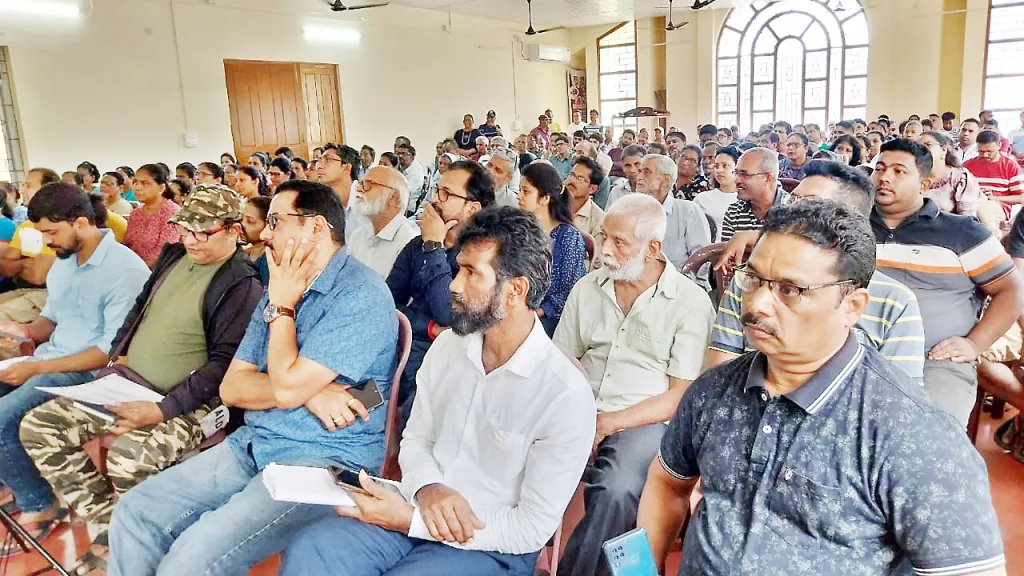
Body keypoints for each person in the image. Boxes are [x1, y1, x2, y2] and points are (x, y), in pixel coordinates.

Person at [638, 198, 1006, 576]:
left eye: (790, 290)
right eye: (753, 279)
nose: (758, 304)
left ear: (853, 306)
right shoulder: (714, 391)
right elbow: (667, 483)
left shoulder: (912, 433)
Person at [281, 206, 595, 575]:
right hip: (417, 502)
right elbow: (417, 439)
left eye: (471, 273)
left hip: (488, 541)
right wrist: (429, 489)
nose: (453, 285)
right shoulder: (449, 347)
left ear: (516, 291)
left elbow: (529, 529)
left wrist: (414, 521)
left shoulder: (564, 394)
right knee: (312, 550)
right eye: (458, 267)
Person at [106, 180, 399, 576]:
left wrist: (283, 312)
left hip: (320, 460)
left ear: (315, 228)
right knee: (135, 511)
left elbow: (286, 384)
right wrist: (312, 391)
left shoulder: (358, 294)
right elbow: (233, 387)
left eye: (276, 221)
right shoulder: (279, 285)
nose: (264, 232)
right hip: (255, 443)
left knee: (191, 558)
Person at [19, 184, 263, 574]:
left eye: (205, 232)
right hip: (129, 382)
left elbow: (223, 367)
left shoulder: (242, 285)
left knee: (128, 458)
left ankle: (149, 534)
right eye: (187, 229)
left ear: (234, 230)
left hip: (191, 403)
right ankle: (110, 522)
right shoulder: (174, 257)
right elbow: (138, 311)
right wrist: (115, 359)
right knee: (39, 426)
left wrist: (161, 409)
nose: (192, 240)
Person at [554, 193, 714, 576]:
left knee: (617, 488)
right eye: (604, 237)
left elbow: (682, 395)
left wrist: (609, 422)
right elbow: (560, 363)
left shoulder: (689, 302)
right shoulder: (588, 288)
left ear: (653, 248)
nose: (605, 250)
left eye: (619, 242)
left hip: (646, 421)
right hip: (579, 409)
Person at [0, 183, 149, 551]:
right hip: (49, 358)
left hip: (90, 373)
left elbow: (109, 353)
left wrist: (34, 370)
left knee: (2, 416)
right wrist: (23, 331)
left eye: (51, 232)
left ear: (81, 222)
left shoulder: (123, 269)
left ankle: (41, 505)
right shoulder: (65, 262)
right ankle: (21, 477)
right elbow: (51, 320)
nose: (47, 242)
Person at [707, 159, 926, 381]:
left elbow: (899, 400)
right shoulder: (750, 280)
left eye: (809, 206)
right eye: (792, 200)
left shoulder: (895, 302)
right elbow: (718, 378)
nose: (790, 212)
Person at [873, 139, 1023, 426]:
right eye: (880, 168)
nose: (884, 177)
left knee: (927, 435)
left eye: (898, 171)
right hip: (859, 354)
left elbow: (1011, 290)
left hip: (934, 361)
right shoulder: (854, 227)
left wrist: (974, 344)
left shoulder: (962, 233)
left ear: (925, 184)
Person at [386, 161, 495, 417]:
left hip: (448, 357)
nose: (435, 199)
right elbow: (387, 302)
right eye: (436, 190)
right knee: (357, 392)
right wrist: (427, 327)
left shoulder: (482, 256)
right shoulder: (417, 245)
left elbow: (449, 313)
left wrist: (434, 245)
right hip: (403, 345)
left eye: (446, 194)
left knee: (413, 413)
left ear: (472, 208)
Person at [518, 163, 587, 335]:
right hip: (519, 308)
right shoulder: (521, 229)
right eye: (520, 190)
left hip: (551, 318)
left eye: (526, 191)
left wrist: (535, 314)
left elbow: (568, 292)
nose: (519, 196)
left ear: (545, 198)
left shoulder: (567, 237)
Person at [638, 154, 712, 275]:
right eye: (639, 171)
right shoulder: (632, 210)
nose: (639, 177)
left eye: (646, 172)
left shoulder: (688, 211)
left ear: (665, 180)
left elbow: (701, 262)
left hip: (681, 282)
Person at [348, 166, 418, 278]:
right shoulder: (358, 235)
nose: (359, 189)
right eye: (360, 183)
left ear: (393, 198)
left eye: (368, 184)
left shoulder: (409, 243)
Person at [720, 148, 789, 243]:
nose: (737, 180)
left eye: (744, 174)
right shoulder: (734, 212)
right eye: (736, 173)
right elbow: (728, 254)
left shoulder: (793, 210)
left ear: (767, 178)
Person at [124, 164, 181, 268]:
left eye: (145, 183)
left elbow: (163, 254)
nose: (137, 187)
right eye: (135, 182)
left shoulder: (172, 213)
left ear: (161, 187)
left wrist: (139, 272)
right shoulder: (136, 213)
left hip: (159, 273)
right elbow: (128, 245)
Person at [919, 131, 986, 220]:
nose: (922, 149)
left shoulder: (960, 177)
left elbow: (966, 218)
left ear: (943, 150)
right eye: (918, 146)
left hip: (952, 229)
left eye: (928, 144)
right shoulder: (911, 177)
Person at [964, 129, 1024, 218]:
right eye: (981, 151)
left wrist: (994, 198)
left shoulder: (1010, 166)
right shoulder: (967, 166)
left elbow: (1021, 197)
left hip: (998, 208)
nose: (985, 155)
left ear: (999, 146)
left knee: (982, 209)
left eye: (989, 151)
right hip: (970, 206)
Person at [320, 142, 370, 241]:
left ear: (346, 167)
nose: (319, 166)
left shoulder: (367, 199)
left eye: (328, 160)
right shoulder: (322, 202)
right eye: (320, 160)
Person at [697, 146, 741, 241]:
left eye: (725, 166)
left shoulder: (746, 200)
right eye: (716, 166)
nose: (719, 170)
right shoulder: (702, 199)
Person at [567, 156, 606, 239]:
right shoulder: (552, 205)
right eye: (572, 175)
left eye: (580, 178)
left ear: (592, 189)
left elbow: (596, 251)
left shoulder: (599, 220)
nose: (572, 180)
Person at [396, 143, 427, 216]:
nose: (400, 156)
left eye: (404, 154)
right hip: (395, 208)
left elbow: (404, 193)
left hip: (407, 211)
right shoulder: (397, 170)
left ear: (412, 158)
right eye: (398, 153)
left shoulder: (417, 174)